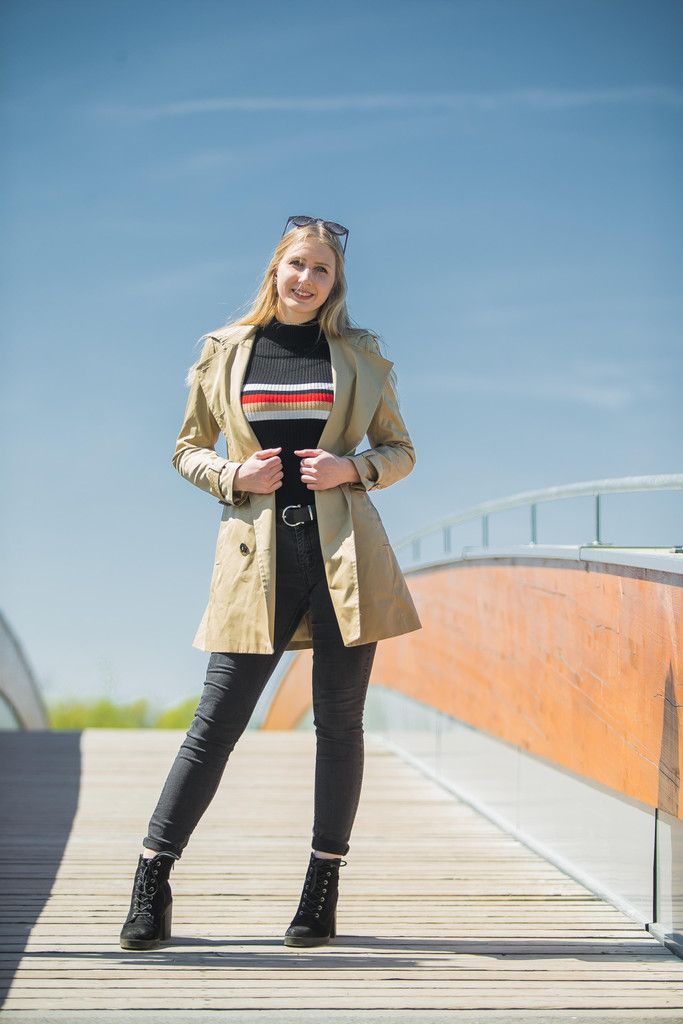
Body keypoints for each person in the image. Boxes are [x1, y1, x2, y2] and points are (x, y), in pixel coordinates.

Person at [119, 214, 422, 951]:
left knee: (339, 726)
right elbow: (187, 448)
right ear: (275, 270)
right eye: (297, 265)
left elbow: (399, 449)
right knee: (215, 725)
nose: (306, 280)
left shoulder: (358, 356)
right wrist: (233, 475)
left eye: (322, 270)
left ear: (334, 283)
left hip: (344, 559)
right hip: (255, 561)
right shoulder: (225, 351)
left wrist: (352, 467)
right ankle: (152, 883)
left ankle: (321, 892)